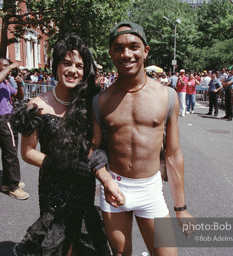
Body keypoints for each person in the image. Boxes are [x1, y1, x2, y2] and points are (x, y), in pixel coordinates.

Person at [91, 20, 193, 256]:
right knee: (120, 253)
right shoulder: (101, 101)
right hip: (114, 187)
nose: (126, 54)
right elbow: (93, 150)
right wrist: (106, 180)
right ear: (111, 54)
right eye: (118, 48)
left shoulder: (167, 96)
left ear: (145, 51)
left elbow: (173, 154)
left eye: (134, 46)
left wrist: (181, 208)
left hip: (150, 190)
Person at [11, 33, 111, 256]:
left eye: (79, 65)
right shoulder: (36, 105)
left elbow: (97, 142)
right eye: (66, 63)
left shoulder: (90, 102)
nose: (72, 70)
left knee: (81, 241)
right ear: (56, 65)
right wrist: (59, 164)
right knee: (57, 244)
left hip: (83, 184)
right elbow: (27, 153)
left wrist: (102, 153)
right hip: (53, 187)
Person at [0, 58, 28, 200]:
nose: (7, 68)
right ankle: (14, 187)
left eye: (7, 65)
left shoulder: (5, 82)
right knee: (11, 155)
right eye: (4, 66)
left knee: (8, 152)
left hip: (9, 120)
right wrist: (11, 67)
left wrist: (19, 84)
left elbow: (19, 96)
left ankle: (6, 182)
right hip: (3, 121)